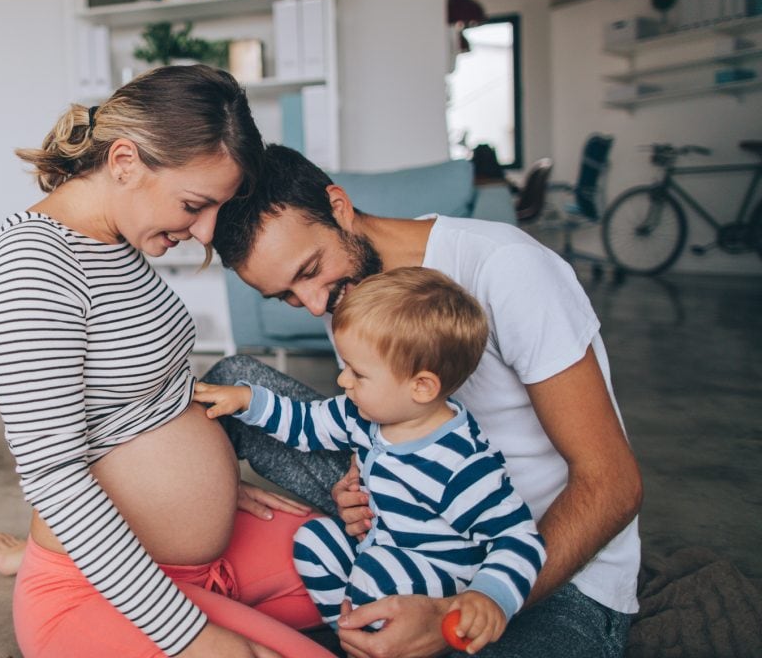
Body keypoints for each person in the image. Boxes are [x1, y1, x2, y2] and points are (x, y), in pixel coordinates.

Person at [205, 143, 642, 658]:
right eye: (287, 296)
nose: (314, 305)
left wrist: (460, 612)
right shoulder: (343, 289)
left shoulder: (505, 268)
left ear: (339, 207)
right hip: (412, 527)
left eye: (308, 270)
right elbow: (379, 415)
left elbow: (613, 482)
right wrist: (356, 475)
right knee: (230, 383)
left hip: (545, 567)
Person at [0, 67, 335, 658]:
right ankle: (41, 578)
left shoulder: (114, 239)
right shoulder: (32, 270)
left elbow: (139, 402)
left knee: (375, 577)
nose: (206, 231)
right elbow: (54, 477)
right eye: (195, 204)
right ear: (123, 162)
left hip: (197, 553)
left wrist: (207, 489)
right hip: (98, 587)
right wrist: (194, 638)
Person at [194, 267, 547, 655]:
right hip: (380, 545)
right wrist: (247, 401)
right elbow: (306, 423)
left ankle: (371, 633)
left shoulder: (459, 464)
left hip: (437, 576)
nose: (343, 381)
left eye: (357, 373)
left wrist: (489, 596)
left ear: (422, 386)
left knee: (376, 574)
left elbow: (518, 538)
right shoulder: (363, 414)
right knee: (313, 541)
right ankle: (353, 636)